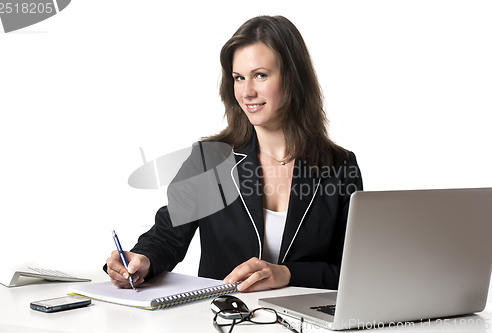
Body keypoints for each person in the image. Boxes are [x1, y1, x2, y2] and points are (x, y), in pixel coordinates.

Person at [105, 15, 363, 292]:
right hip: (225, 316)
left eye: (260, 75)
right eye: (239, 78)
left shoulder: (339, 166)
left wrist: (287, 274)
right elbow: (168, 236)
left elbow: (354, 269)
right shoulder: (210, 160)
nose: (247, 92)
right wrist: (141, 259)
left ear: (293, 78)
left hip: (304, 321)